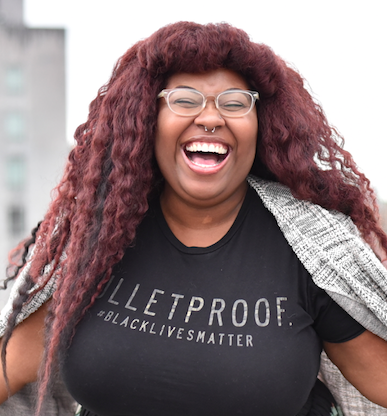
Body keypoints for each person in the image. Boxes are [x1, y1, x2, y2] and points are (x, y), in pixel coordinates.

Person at [0, 21, 387, 416]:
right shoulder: (94, 240)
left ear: (262, 124)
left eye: (235, 103)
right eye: (184, 100)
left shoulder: (313, 250)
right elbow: (8, 368)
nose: (211, 118)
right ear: (148, 119)